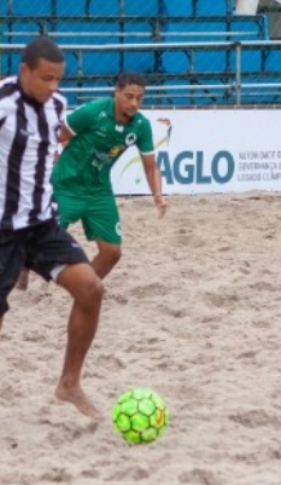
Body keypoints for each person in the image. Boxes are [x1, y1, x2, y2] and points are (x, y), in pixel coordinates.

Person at [0, 36, 104, 419]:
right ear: (24, 70)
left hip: (42, 224)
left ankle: (69, 383)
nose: (52, 87)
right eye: (45, 78)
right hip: (3, 230)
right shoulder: (4, 104)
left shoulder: (57, 106)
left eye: (58, 79)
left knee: (91, 288)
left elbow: (45, 152)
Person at [51, 72, 165, 279]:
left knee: (112, 252)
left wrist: (157, 195)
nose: (134, 103)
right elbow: (56, 135)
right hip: (65, 186)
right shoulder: (94, 111)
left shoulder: (141, 125)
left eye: (139, 98)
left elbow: (150, 166)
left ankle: (85, 291)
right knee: (42, 244)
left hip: (99, 190)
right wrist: (55, 153)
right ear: (117, 92)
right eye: (129, 96)